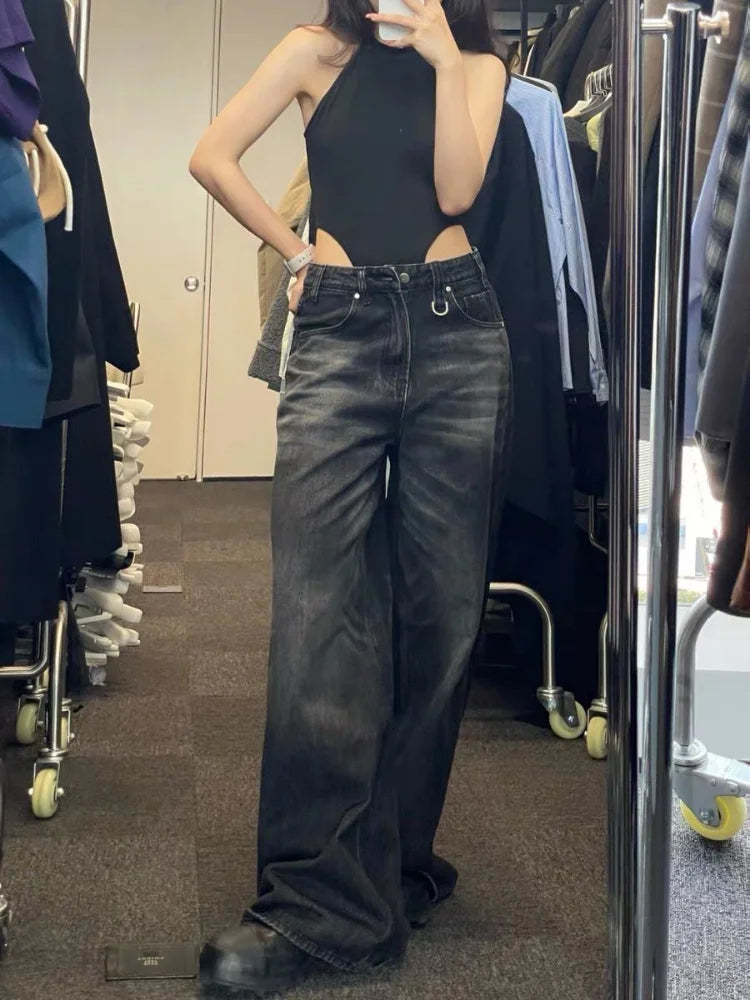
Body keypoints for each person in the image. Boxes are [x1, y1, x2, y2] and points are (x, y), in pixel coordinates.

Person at [189, 0, 512, 993]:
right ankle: (318, 903)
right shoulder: (312, 51)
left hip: (458, 335)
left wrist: (447, 57)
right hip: (336, 329)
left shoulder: (481, 67)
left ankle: (394, 864)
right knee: (318, 615)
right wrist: (294, 252)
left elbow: (455, 190)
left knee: (441, 619)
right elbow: (212, 156)